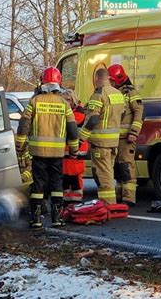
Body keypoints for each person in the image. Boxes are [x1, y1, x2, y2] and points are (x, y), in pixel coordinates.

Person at [16, 67, 79, 228]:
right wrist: (73, 150)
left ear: (42, 81)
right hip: (57, 153)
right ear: (59, 83)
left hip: (38, 152)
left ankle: (36, 219)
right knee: (57, 183)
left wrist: (20, 145)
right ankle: (56, 218)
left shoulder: (34, 101)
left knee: (38, 184)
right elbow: (72, 130)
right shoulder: (64, 103)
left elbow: (24, 124)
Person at [79, 68, 124, 205]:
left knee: (104, 175)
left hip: (100, 142)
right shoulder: (118, 94)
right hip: (113, 141)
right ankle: (109, 202)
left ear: (97, 79)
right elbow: (121, 115)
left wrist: (81, 137)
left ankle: (108, 204)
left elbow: (93, 120)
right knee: (108, 172)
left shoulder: (99, 95)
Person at [108, 64, 144, 207]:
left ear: (118, 78)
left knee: (126, 167)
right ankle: (119, 195)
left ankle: (129, 198)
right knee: (116, 168)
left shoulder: (131, 93)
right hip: (114, 138)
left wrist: (134, 133)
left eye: (112, 79)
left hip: (126, 138)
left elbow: (138, 113)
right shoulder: (113, 92)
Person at [61, 89, 88, 204]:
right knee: (65, 175)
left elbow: (69, 125)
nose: (66, 102)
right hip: (67, 148)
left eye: (68, 100)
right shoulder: (69, 110)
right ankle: (67, 201)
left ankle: (76, 200)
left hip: (77, 148)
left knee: (75, 175)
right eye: (64, 100)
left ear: (73, 100)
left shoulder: (79, 112)